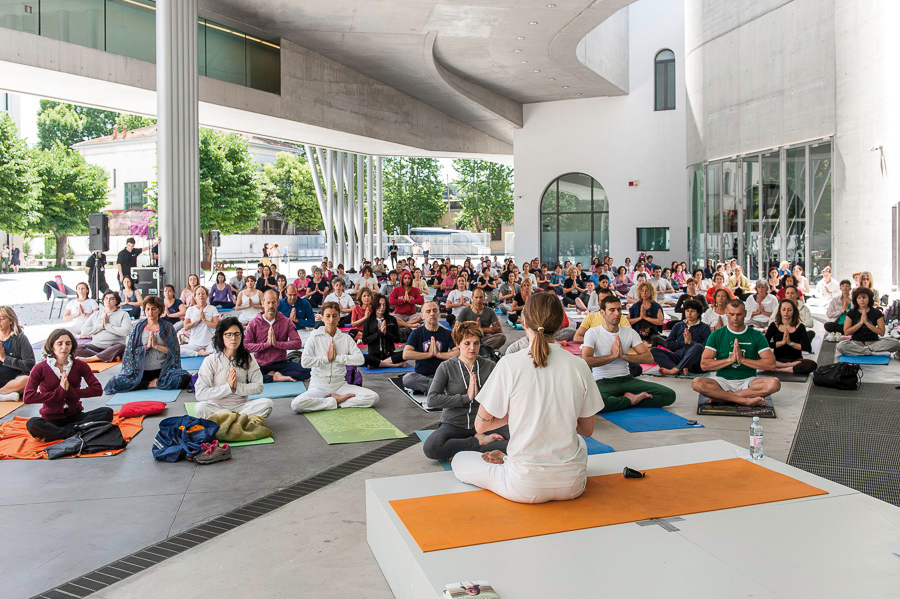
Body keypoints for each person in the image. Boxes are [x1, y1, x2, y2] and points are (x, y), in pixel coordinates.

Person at [451, 293, 605, 504]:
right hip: (572, 484)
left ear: (523, 321)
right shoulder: (579, 365)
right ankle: (509, 459)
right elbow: (587, 430)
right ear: (560, 323)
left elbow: (481, 426)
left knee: (460, 459)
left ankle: (509, 461)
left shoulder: (509, 364)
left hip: (523, 485)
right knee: (577, 441)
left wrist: (518, 415)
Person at [423, 322, 508, 462]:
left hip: (484, 424)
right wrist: (466, 397)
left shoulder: (490, 366)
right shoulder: (446, 367)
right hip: (454, 424)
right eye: (467, 343)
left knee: (519, 440)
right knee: (431, 447)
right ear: (457, 343)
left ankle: (460, 449)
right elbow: (432, 400)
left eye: (476, 343)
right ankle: (478, 443)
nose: (472, 348)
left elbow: (502, 396)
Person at [582, 296, 676, 412]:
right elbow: (586, 360)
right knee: (592, 404)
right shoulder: (593, 333)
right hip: (603, 381)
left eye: (619, 310)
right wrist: (612, 356)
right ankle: (631, 400)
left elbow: (649, 358)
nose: (617, 313)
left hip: (627, 380)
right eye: (612, 310)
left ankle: (621, 401)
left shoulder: (629, 332)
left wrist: (623, 356)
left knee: (669, 395)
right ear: (602, 312)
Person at [290, 302, 377, 412]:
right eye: (328, 316)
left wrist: (338, 358)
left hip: (340, 385)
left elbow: (360, 359)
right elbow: (305, 362)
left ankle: (333, 401)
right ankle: (334, 401)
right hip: (318, 386)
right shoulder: (314, 337)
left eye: (334, 316)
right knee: (297, 405)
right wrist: (327, 359)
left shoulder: (345, 338)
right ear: (322, 318)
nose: (331, 320)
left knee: (373, 397)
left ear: (339, 318)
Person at [692, 299, 781, 407]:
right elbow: (704, 365)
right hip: (722, 381)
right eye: (731, 314)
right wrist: (730, 360)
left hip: (748, 381)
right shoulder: (716, 335)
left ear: (745, 314)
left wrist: (742, 359)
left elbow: (771, 364)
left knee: (774, 383)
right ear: (726, 313)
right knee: (697, 383)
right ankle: (744, 400)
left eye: (739, 314)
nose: (735, 318)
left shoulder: (756, 335)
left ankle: (724, 398)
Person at [23, 329, 108, 441]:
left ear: (72, 346)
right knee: (32, 423)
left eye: (68, 343)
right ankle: (75, 431)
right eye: (60, 343)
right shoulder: (40, 368)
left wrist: (70, 391)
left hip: (76, 416)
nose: (64, 347)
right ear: (52, 346)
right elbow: (28, 397)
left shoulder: (80, 365)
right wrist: (60, 391)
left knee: (106, 412)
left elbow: (97, 390)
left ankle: (61, 433)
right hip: (51, 419)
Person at [104, 296, 191, 393]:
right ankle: (152, 384)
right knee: (114, 383)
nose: (150, 312)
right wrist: (147, 347)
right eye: (148, 309)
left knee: (184, 378)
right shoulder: (137, 328)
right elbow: (130, 353)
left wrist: (156, 346)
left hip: (164, 371)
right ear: (144, 311)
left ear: (159, 311)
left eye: (153, 309)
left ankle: (149, 383)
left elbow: (174, 352)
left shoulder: (167, 327)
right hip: (141, 372)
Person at [193, 318, 274, 419]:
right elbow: (200, 393)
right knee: (200, 408)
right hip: (217, 408)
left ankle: (228, 422)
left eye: (237, 334)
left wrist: (237, 387)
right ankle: (238, 422)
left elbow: (259, 386)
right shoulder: (210, 360)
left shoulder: (248, 358)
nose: (233, 338)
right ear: (221, 337)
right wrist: (228, 387)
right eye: (229, 334)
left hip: (242, 408)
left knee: (267, 403)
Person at [245, 290, 308, 383]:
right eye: (268, 303)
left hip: (281, 363)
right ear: (263, 303)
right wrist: (266, 345)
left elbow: (297, 343)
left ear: (277, 303)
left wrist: (277, 344)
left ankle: (272, 375)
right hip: (261, 364)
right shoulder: (253, 323)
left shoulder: (286, 321)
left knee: (307, 371)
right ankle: (274, 377)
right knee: (244, 377)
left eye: (273, 302)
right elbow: (245, 346)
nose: (270, 306)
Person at [402, 302, 458, 393]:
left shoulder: (447, 333)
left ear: (438, 313)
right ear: (422, 316)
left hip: (442, 375)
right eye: (428, 311)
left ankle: (432, 388)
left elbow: (458, 353)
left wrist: (439, 354)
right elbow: (406, 354)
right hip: (422, 376)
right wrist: (429, 354)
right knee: (407, 379)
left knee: (460, 377)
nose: (432, 313)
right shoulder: (416, 333)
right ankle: (438, 388)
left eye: (435, 310)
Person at [651, 299, 710, 376]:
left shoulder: (704, 328)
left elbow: (707, 348)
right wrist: (684, 343)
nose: (689, 313)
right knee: (654, 350)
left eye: (692, 311)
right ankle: (679, 369)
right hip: (678, 357)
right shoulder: (678, 325)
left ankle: (675, 370)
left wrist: (690, 342)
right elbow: (668, 344)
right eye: (687, 311)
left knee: (698, 346)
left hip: (694, 362)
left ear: (698, 313)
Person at [837, 287, 900, 356]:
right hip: (856, 342)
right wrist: (861, 322)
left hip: (873, 342)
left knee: (896, 343)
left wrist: (867, 322)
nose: (862, 300)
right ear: (856, 300)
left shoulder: (876, 312)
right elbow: (846, 332)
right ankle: (868, 351)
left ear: (869, 299)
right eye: (859, 298)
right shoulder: (851, 313)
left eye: (864, 297)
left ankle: (864, 350)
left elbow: (881, 332)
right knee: (841, 346)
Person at [75, 291, 132, 363]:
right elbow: (84, 331)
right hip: (96, 346)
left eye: (111, 299)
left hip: (113, 347)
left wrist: (107, 326)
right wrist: (101, 326)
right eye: (106, 298)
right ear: (103, 301)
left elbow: (126, 331)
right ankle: (107, 357)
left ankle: (92, 358)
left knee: (121, 347)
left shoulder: (123, 314)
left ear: (116, 301)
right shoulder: (96, 314)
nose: (108, 301)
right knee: (77, 348)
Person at [765, 299, 818, 374]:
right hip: (777, 360)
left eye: (789, 310)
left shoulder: (800, 326)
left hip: (795, 360)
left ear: (793, 312)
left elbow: (807, 348)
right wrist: (782, 343)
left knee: (812, 365)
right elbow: (765, 345)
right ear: (780, 311)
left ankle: (781, 369)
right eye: (783, 309)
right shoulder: (774, 325)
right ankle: (787, 366)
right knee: (757, 358)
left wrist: (790, 343)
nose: (786, 312)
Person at [361, 294, 409, 368]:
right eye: (379, 305)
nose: (382, 307)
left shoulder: (392, 319)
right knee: (361, 357)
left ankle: (380, 364)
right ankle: (394, 365)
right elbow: (365, 340)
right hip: (374, 355)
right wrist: (379, 333)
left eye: (384, 305)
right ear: (375, 305)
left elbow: (397, 339)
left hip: (389, 355)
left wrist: (386, 333)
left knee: (407, 353)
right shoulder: (369, 320)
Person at [0, 306, 35, 401]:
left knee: (26, 380)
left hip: (14, 380)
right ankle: (4, 396)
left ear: (11, 321)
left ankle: (2, 393)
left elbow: (30, 365)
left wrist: (5, 359)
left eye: (2, 319)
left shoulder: (20, 338)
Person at [180, 286, 219, 356]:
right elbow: (186, 327)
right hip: (194, 344)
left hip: (209, 344)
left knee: (221, 349)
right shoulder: (190, 309)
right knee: (176, 350)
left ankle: (204, 351)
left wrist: (204, 320)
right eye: (198, 294)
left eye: (203, 293)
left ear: (207, 296)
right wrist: (198, 320)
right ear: (195, 297)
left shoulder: (212, 309)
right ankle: (198, 353)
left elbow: (216, 326)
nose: (201, 295)